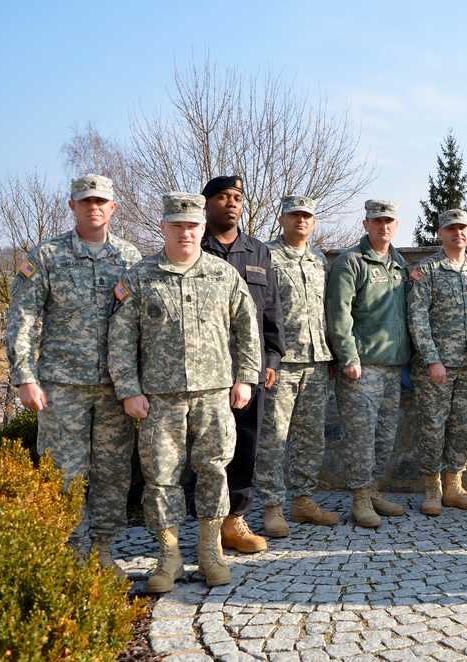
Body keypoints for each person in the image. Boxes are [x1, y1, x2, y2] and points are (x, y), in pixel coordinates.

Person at [108, 192, 261, 593]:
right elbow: (121, 339)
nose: (185, 233)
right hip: (159, 398)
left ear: (202, 228)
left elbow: (248, 327)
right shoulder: (140, 277)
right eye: (177, 226)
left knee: (213, 470)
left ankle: (210, 551)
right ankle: (169, 556)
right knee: (160, 478)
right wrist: (128, 389)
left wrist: (245, 377)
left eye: (192, 226)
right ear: (163, 228)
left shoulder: (223, 274)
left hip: (213, 394)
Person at [6, 174, 141, 576]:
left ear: (113, 207)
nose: (93, 207)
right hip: (61, 385)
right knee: (64, 471)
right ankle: (71, 553)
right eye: (85, 201)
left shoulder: (130, 258)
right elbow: (22, 317)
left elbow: (142, 324)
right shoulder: (47, 256)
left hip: (116, 388)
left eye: (101, 201)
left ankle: (102, 549)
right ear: (72, 206)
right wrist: (25, 376)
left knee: (114, 473)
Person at [200, 175, 286, 553]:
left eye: (236, 197)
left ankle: (234, 520)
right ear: (207, 204)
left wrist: (271, 357)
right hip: (201, 369)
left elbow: (271, 309)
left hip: (247, 369)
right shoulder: (192, 245)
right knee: (203, 449)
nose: (231, 203)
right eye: (222, 197)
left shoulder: (258, 251)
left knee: (245, 444)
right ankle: (205, 522)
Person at [407, 209, 467, 516]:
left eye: (462, 228)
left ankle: (454, 487)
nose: (457, 233)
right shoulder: (427, 270)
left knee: (462, 427)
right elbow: (417, 317)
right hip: (436, 368)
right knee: (434, 427)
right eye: (451, 228)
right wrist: (432, 360)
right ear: (441, 233)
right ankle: (432, 490)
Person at [254, 195, 338, 538]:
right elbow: (257, 310)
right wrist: (263, 358)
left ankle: (303, 501)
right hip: (282, 362)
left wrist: (331, 352)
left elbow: (325, 309)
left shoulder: (319, 259)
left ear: (314, 222)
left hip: (317, 360)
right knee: (274, 437)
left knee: (311, 437)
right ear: (281, 218)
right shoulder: (266, 255)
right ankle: (272, 506)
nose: (300, 221)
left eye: (306, 216)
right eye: (294, 215)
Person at [327, 199, 412, 528]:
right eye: (377, 221)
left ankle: (373, 488)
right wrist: (347, 356)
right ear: (366, 224)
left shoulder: (399, 265)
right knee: (360, 435)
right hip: (360, 367)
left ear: (396, 224)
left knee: (385, 435)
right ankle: (360, 498)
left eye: (389, 220)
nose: (383, 226)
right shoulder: (352, 262)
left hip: (392, 367)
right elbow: (338, 314)